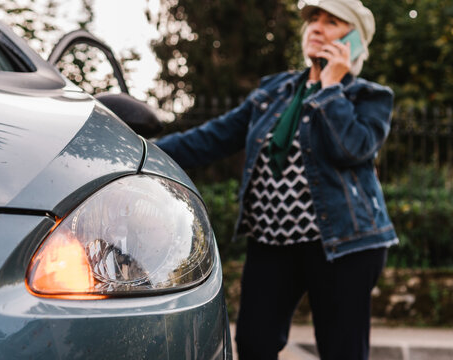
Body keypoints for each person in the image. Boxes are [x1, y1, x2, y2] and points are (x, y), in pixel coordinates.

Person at [156, 0, 398, 359]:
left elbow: (352, 148)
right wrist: (144, 151)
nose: (316, 27)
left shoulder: (369, 97)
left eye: (332, 22)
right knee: (254, 342)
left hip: (343, 244)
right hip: (272, 240)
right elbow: (209, 139)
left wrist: (330, 87)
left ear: (355, 41)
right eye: (313, 19)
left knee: (342, 350)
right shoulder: (274, 94)